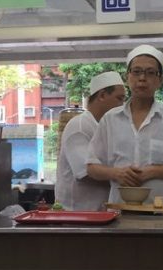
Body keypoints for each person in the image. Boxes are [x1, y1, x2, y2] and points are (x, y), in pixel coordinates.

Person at [87, 44, 163, 205]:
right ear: (128, 77)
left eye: (150, 73)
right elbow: (92, 166)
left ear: (160, 79)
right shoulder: (110, 120)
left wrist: (152, 172)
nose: (142, 78)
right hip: (120, 212)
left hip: (162, 215)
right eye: (137, 71)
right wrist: (116, 174)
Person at [54, 71, 126, 210]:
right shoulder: (80, 126)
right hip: (78, 215)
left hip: (100, 213)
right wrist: (123, 178)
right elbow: (86, 172)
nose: (122, 105)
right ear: (102, 95)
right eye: (119, 99)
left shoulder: (105, 128)